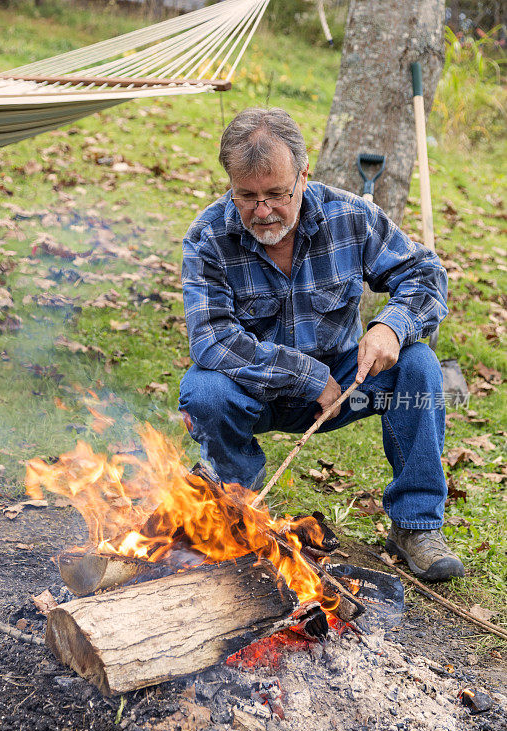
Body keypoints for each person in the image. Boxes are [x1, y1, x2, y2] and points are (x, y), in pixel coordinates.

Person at [178, 107, 464, 582]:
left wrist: (391, 325)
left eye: (276, 194)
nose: (262, 211)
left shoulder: (350, 216)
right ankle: (237, 515)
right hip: (256, 392)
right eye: (246, 196)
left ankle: (415, 525)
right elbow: (212, 340)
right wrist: (308, 378)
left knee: (419, 366)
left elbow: (427, 275)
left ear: (303, 176)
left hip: (348, 384)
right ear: (230, 185)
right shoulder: (209, 237)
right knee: (206, 391)